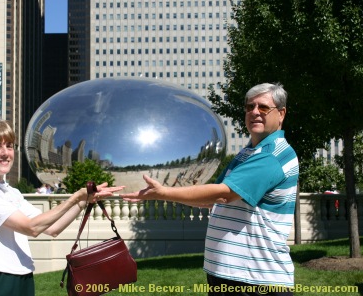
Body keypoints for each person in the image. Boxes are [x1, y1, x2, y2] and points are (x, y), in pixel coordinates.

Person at [121, 83, 299, 295]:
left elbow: (224, 194)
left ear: (281, 114)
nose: (254, 113)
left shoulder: (272, 155)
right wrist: (163, 192)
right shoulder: (247, 153)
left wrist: (164, 193)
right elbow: (212, 199)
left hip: (256, 278)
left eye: (263, 108)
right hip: (229, 274)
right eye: (249, 107)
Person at [0, 117, 123, 296]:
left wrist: (84, 201)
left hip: (21, 276)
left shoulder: (11, 192)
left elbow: (52, 228)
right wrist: (74, 196)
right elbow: (32, 228)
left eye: (10, 146)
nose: (5, 153)